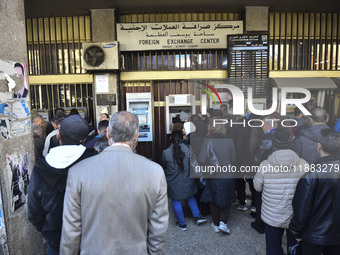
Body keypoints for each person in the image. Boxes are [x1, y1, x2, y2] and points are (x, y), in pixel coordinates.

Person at [60, 111, 169, 254]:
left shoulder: (78, 172)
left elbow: (71, 229)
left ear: (108, 133)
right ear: (136, 137)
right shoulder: (155, 172)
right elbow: (159, 226)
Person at [28, 115, 95, 255]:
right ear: (84, 139)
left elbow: (34, 213)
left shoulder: (40, 168)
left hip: (55, 243)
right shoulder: (95, 162)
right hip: (91, 241)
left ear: (58, 136)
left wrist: (49, 230)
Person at [253, 127, 307, 255]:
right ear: (291, 142)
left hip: (272, 214)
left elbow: (257, 187)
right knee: (294, 249)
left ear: (274, 143)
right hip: (295, 215)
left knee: (273, 248)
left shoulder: (265, 165)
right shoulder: (304, 164)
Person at [289, 129, 340, 255]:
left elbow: (301, 208)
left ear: (319, 145)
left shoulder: (311, 175)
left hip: (313, 235)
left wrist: (295, 231)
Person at [162, 130, 206, 231]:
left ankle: (182, 224)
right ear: (182, 138)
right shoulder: (189, 149)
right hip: (188, 180)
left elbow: (164, 166)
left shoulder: (165, 153)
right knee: (190, 197)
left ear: (170, 139)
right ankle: (198, 217)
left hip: (173, 182)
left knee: (176, 200)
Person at [198, 117, 236, 234]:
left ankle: (215, 223)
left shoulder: (207, 140)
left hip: (213, 174)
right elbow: (233, 159)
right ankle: (223, 223)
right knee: (227, 198)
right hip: (228, 174)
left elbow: (202, 158)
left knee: (213, 199)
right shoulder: (230, 141)